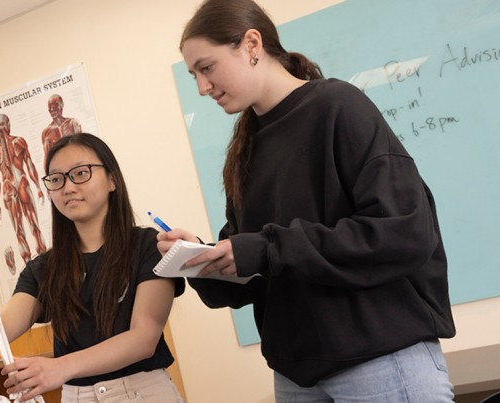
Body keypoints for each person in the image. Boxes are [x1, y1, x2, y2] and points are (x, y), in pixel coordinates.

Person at [157, 0, 457, 401]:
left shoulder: (337, 106)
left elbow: (403, 230)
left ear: (251, 44)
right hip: (297, 378)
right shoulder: (246, 149)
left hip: (380, 362)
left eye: (207, 68)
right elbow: (260, 263)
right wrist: (206, 259)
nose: (201, 88)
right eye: (194, 74)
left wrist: (264, 249)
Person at [0, 133, 185, 402]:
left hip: (143, 392)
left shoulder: (147, 246)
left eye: (81, 173)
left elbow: (143, 339)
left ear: (112, 180)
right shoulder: (45, 268)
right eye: (57, 179)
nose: (68, 187)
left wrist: (61, 367)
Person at [0, 113, 48, 264]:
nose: (1, 129)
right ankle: (29, 266)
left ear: (9, 124)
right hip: (9, 187)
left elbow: (29, 165)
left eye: (3, 125)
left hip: (22, 183)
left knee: (34, 224)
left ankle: (44, 261)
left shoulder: (19, 141)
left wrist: (38, 187)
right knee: (18, 229)